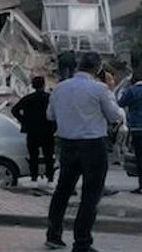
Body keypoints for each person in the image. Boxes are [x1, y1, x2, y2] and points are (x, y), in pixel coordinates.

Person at [45, 52, 124, 252]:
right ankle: (82, 241)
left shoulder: (60, 88)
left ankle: (53, 235)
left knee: (62, 190)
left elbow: (50, 115)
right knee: (90, 194)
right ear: (98, 68)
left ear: (78, 66)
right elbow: (114, 116)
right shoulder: (99, 89)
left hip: (67, 143)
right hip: (93, 144)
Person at [12, 76, 56, 186]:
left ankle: (34, 178)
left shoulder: (28, 98)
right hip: (47, 130)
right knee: (49, 155)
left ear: (32, 86)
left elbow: (14, 110)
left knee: (33, 155)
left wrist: (24, 120)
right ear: (44, 85)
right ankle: (50, 178)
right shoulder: (50, 98)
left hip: (32, 131)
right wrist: (55, 125)